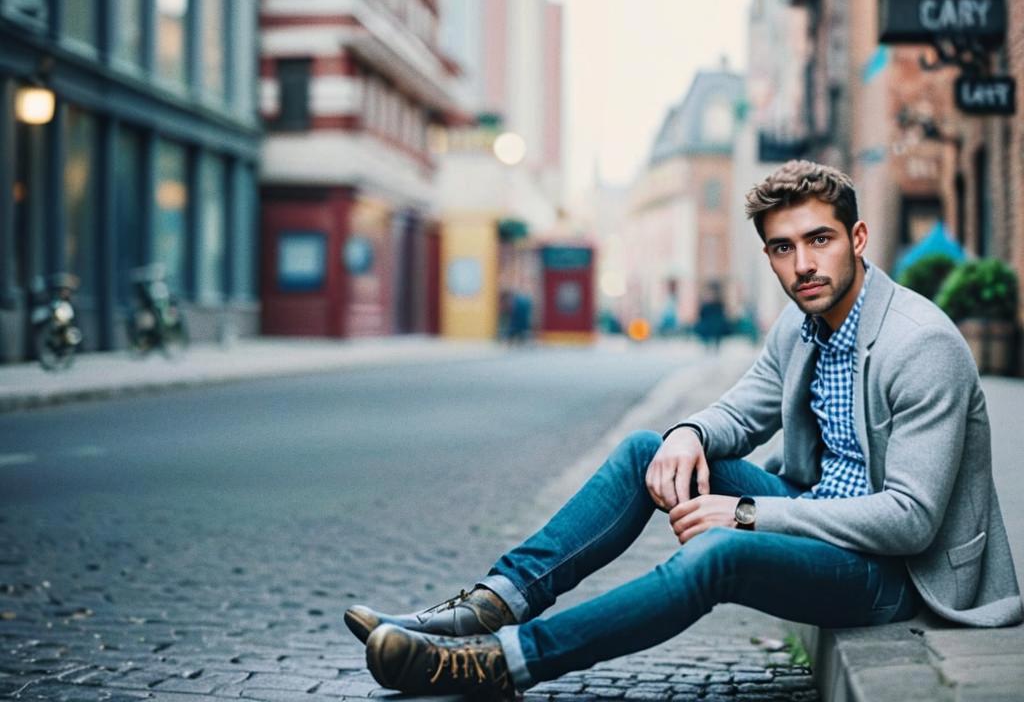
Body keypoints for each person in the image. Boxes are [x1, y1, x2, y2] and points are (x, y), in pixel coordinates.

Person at [344, 160, 1023, 699]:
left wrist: (749, 513)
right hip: (816, 515)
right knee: (649, 449)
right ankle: (489, 604)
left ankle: (498, 665)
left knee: (717, 553)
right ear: (769, 256)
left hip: (895, 573)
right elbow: (741, 410)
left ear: (857, 238)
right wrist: (688, 435)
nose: (804, 264)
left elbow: (910, 520)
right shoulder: (802, 322)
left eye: (819, 240)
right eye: (783, 249)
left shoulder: (919, 345)